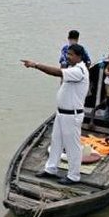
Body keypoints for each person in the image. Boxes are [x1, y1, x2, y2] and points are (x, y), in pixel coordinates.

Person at [21, 44, 90, 185]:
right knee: (56, 141)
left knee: (72, 146)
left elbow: (57, 72)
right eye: (68, 54)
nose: (68, 57)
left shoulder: (79, 71)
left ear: (79, 56)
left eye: (71, 54)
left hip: (71, 115)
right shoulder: (73, 68)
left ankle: (74, 176)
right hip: (61, 113)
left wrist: (36, 65)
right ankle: (51, 169)